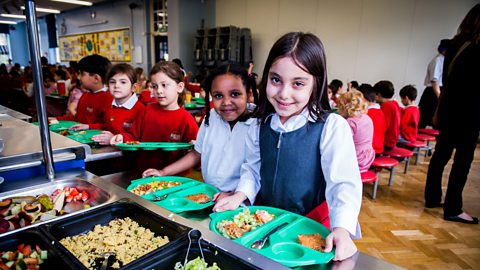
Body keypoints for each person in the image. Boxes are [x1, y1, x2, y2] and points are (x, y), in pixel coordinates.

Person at [241, 32, 361, 261]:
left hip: (310, 230)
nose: (284, 94)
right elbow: (252, 168)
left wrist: (342, 229)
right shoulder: (258, 125)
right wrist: (241, 193)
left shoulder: (331, 127)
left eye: (298, 83)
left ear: (315, 84)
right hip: (264, 225)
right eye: (276, 80)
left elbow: (343, 184)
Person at [142, 63, 259, 210]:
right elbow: (197, 154)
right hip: (208, 193)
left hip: (239, 201)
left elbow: (254, 168)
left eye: (235, 94)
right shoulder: (212, 118)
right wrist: (163, 172)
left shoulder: (257, 124)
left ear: (248, 94)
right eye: (218, 96)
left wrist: (238, 195)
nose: (226, 102)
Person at [424, 4, 480, 224]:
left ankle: (432, 197)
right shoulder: (477, 47)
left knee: (440, 155)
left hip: (448, 108)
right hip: (469, 110)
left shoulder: (455, 44)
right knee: (463, 160)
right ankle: (453, 207)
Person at [110, 61, 199, 176]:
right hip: (143, 174)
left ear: (180, 87)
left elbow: (196, 153)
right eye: (154, 86)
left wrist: (193, 146)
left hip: (174, 180)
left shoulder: (186, 118)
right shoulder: (146, 110)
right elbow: (133, 136)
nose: (159, 91)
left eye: (164, 85)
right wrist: (122, 137)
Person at [71, 63, 145, 145]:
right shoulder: (110, 106)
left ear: (133, 87)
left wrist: (113, 139)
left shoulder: (140, 110)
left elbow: (138, 138)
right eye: (112, 82)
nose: (116, 85)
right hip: (111, 152)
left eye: (123, 82)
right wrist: (88, 126)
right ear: (108, 86)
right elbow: (107, 126)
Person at [52, 54, 113, 125]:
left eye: (82, 74)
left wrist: (87, 126)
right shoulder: (85, 95)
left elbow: (106, 126)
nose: (78, 77)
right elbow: (77, 118)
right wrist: (57, 119)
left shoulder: (108, 99)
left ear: (96, 78)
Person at [337, 90, 375, 173]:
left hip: (356, 160)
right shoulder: (367, 118)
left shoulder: (351, 122)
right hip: (368, 158)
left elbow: (342, 143)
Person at [418, 39, 450, 129]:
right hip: (433, 92)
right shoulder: (437, 60)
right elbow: (434, 80)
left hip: (438, 91)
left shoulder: (444, 60)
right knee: (426, 118)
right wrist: (439, 96)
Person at [358, 83, 385, 155]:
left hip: (369, 151)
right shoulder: (380, 111)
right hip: (379, 148)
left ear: (363, 98)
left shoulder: (366, 114)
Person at [374, 80, 401, 151]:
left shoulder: (386, 106)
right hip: (393, 140)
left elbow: (383, 127)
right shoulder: (394, 103)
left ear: (378, 95)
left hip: (386, 142)